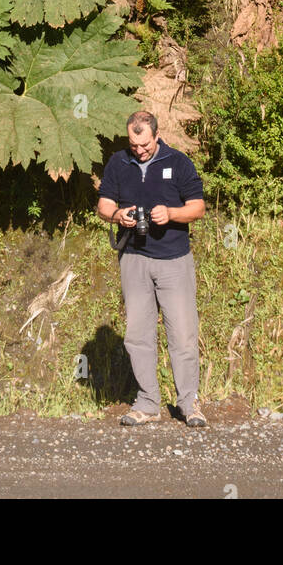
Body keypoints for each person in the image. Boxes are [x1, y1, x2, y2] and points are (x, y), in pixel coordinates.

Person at [97, 110, 207, 427]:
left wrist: (170, 214)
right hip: (133, 257)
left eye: (145, 144)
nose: (140, 150)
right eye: (134, 145)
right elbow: (104, 204)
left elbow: (198, 207)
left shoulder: (179, 162)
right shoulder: (119, 162)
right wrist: (118, 216)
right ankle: (147, 402)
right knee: (137, 335)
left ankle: (189, 403)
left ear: (156, 136)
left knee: (183, 334)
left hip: (174, 259)